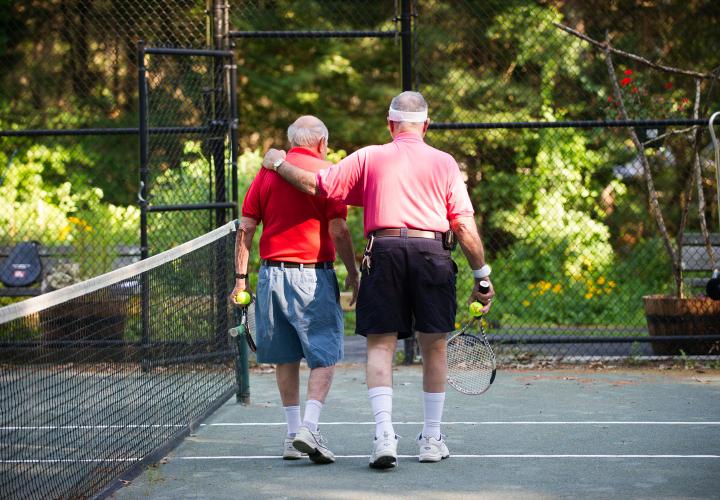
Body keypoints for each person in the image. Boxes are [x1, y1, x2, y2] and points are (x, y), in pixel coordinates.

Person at [260, 91, 495, 469]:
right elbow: (463, 225)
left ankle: (384, 436)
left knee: (380, 347)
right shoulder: (445, 162)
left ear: (390, 125)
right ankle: (431, 440)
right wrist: (481, 276)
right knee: (434, 347)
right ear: (426, 125)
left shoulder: (370, 157)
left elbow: (315, 185)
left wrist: (278, 164)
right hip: (432, 254)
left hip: (383, 252)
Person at [231, 115, 359, 465]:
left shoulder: (268, 172)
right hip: (312, 277)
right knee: (326, 355)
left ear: (293, 141)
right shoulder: (328, 173)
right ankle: (309, 428)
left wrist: (241, 280)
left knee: (286, 357)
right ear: (321, 143)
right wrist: (354, 272)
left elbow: (246, 228)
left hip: (271, 277)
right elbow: (339, 230)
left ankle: (291, 436)